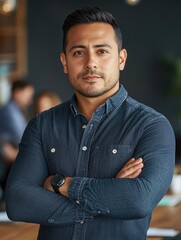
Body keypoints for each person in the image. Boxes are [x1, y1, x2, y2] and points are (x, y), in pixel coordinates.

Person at [5, 7, 175, 240]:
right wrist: (110, 198)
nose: (90, 63)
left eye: (102, 51)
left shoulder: (152, 126)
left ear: (121, 59)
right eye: (78, 53)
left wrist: (61, 184)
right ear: (65, 62)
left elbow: (138, 201)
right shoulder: (42, 125)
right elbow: (18, 202)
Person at [0, 80, 34, 202]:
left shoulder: (15, 110)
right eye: (27, 95)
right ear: (17, 92)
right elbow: (23, 137)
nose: (29, 100)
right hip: (10, 161)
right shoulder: (10, 111)